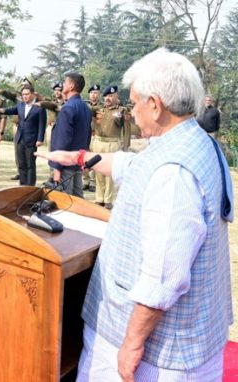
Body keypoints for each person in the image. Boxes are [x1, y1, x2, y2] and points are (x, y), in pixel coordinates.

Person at [37, 48, 234, 382]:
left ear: (155, 105)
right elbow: (135, 166)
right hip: (181, 338)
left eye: (135, 104)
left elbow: (164, 276)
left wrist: (131, 344)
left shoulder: (173, 172)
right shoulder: (192, 142)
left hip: (157, 354)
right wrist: (79, 157)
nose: (133, 113)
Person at [47, 72, 91, 197]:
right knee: (77, 197)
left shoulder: (68, 108)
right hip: (77, 161)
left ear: (71, 86)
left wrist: (56, 168)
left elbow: (62, 140)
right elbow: (87, 136)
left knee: (65, 200)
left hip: (65, 162)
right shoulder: (85, 107)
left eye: (65, 83)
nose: (63, 86)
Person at [91, 85, 128, 208]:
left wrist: (126, 147)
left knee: (109, 173)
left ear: (116, 96)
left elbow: (126, 131)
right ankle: (99, 198)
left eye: (111, 96)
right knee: (98, 171)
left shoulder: (122, 111)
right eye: (106, 96)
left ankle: (108, 200)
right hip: (98, 142)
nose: (108, 98)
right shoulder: (98, 109)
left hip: (112, 144)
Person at [2, 84, 46, 186]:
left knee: (30, 165)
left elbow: (42, 125)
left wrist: (40, 139)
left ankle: (30, 187)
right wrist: (2, 110)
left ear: (32, 94)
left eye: (26, 94)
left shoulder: (39, 107)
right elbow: (12, 110)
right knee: (21, 164)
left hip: (32, 139)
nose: (24, 96)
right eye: (23, 95)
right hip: (20, 138)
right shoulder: (20, 105)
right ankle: (22, 186)